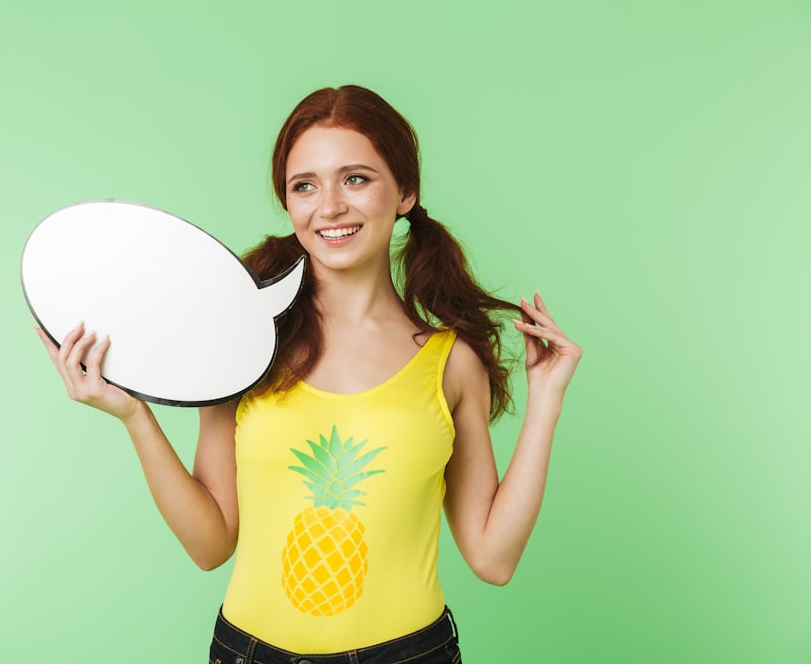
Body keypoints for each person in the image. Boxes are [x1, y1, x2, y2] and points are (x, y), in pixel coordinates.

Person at [36, 85, 582, 663]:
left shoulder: (450, 363)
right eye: (305, 186)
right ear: (289, 202)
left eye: (356, 179)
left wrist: (546, 398)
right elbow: (210, 544)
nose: (329, 207)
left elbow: (493, 560)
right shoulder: (242, 344)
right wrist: (134, 415)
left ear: (405, 193)